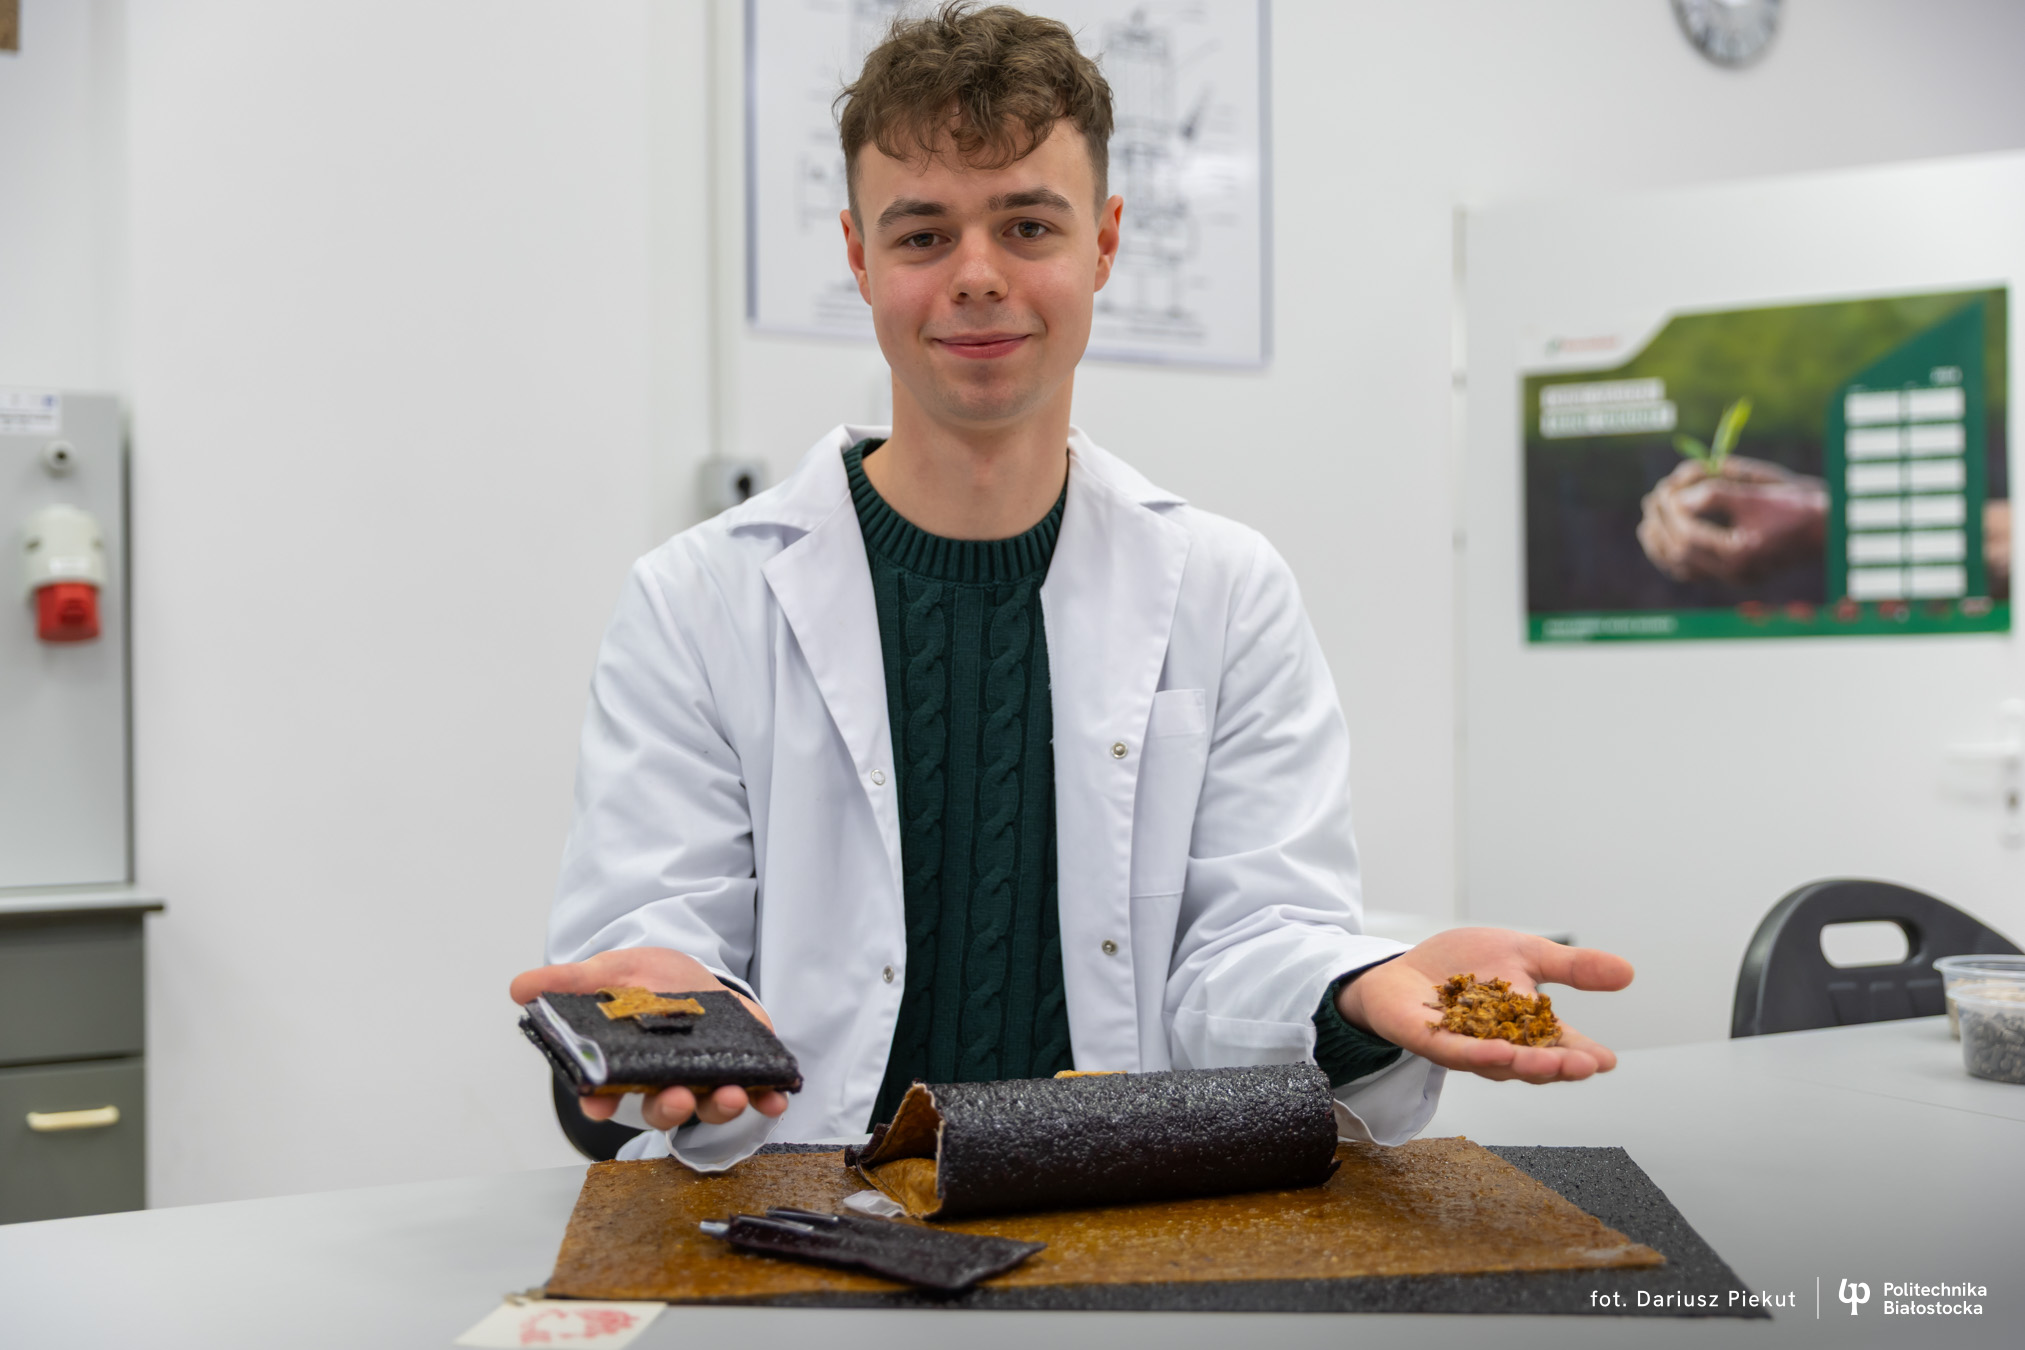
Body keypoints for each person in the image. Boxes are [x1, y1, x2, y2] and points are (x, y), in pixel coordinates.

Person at [510, 2, 1632, 1171]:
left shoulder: (1225, 591)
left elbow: (1256, 941)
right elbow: (656, 933)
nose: (977, 276)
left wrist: (1360, 993)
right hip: (796, 1210)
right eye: (922, 234)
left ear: (1104, 242)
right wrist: (662, 1013)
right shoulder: (696, 603)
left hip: (1117, 1206)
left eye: (1028, 226)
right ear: (858, 256)